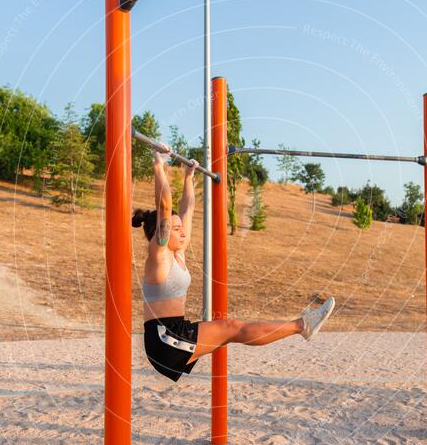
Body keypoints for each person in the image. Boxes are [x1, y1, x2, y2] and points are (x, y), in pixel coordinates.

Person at [132, 148, 335, 382]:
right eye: (176, 229)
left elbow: (186, 209)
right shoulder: (159, 256)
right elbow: (165, 208)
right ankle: (302, 325)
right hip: (164, 338)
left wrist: (189, 176)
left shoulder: (179, 252)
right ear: (162, 233)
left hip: (172, 334)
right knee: (232, 327)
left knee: (231, 330)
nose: (182, 232)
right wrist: (159, 163)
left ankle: (302, 325)